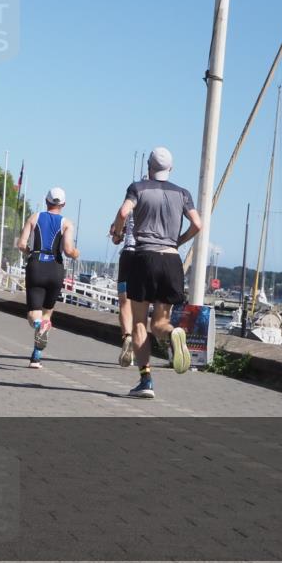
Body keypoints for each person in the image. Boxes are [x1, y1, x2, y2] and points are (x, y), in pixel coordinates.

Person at [110, 147, 201, 399]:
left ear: (149, 167)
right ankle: (173, 333)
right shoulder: (183, 193)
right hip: (171, 260)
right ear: (170, 168)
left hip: (144, 258)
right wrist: (178, 241)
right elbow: (197, 224)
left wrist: (118, 232)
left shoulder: (138, 188)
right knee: (160, 323)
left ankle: (146, 379)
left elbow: (123, 212)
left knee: (140, 322)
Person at [16, 187, 80, 369]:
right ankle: (36, 357)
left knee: (33, 314)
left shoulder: (34, 217)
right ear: (63, 204)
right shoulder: (67, 223)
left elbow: (21, 244)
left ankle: (38, 325)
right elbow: (68, 250)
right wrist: (76, 254)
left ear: (46, 201)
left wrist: (29, 252)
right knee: (47, 314)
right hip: (55, 269)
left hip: (36, 265)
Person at [115, 206, 138, 367]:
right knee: (141, 306)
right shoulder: (160, 203)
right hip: (149, 255)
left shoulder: (130, 204)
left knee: (124, 302)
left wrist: (118, 234)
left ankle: (128, 336)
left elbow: (115, 232)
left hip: (129, 253)